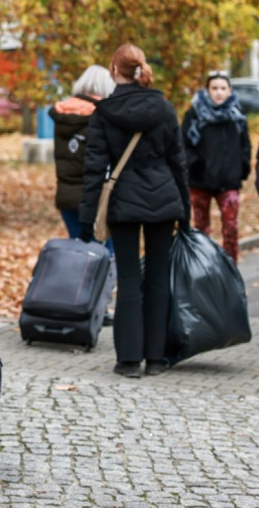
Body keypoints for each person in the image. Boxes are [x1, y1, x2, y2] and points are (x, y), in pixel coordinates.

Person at [79, 44, 190, 378]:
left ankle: (128, 360)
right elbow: (178, 162)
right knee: (158, 278)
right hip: (164, 200)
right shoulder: (165, 108)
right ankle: (156, 358)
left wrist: (87, 217)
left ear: (115, 70)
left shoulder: (105, 112)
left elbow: (94, 168)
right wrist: (185, 211)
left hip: (123, 200)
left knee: (129, 279)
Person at [181, 70, 251, 264]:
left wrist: (242, 170)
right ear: (207, 90)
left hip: (229, 182)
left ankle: (230, 270)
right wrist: (195, 164)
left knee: (231, 229)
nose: (219, 92)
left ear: (230, 90)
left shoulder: (237, 115)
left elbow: (245, 145)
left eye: (223, 88)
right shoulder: (194, 114)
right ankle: (203, 269)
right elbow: (183, 145)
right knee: (201, 230)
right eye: (214, 88)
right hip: (200, 181)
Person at [50, 64, 116, 247]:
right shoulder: (101, 116)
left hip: (66, 196)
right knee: (105, 252)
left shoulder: (63, 113)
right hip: (96, 197)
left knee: (79, 251)